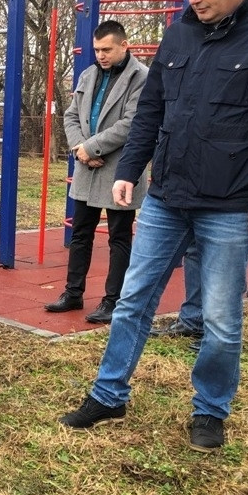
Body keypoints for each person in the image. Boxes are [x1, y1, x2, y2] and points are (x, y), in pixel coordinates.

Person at [60, 0, 248, 453]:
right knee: (132, 301)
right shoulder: (178, 37)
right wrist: (130, 169)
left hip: (233, 204)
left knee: (219, 318)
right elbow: (151, 111)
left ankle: (210, 410)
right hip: (168, 196)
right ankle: (109, 395)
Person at [44, 20, 149, 324]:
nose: (101, 55)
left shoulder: (141, 78)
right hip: (87, 166)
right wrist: (81, 149)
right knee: (81, 233)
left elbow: (131, 124)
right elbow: (71, 115)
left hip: (121, 168)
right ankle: (73, 292)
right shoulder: (89, 74)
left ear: (124, 45)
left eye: (107, 49)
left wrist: (92, 148)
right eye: (97, 50)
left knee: (119, 236)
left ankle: (113, 300)